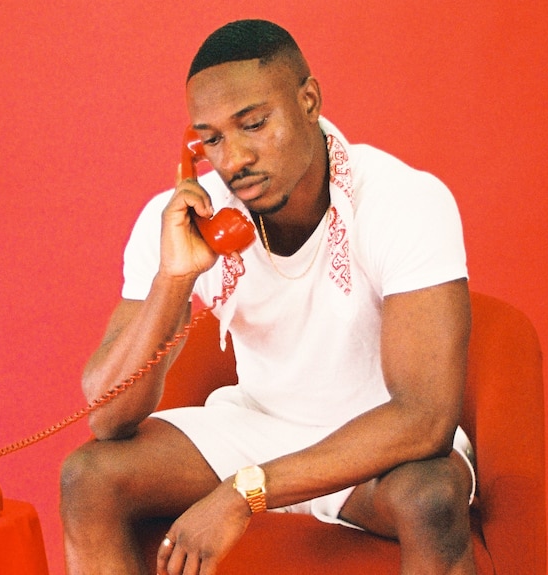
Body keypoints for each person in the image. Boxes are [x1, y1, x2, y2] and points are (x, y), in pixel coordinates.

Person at [60, 19, 476, 575]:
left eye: (253, 124)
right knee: (88, 477)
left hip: (374, 445)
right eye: (211, 139)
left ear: (309, 99)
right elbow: (107, 417)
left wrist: (244, 492)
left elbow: (424, 419)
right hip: (255, 427)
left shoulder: (405, 201)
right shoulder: (195, 216)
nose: (233, 160)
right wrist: (174, 278)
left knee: (433, 498)